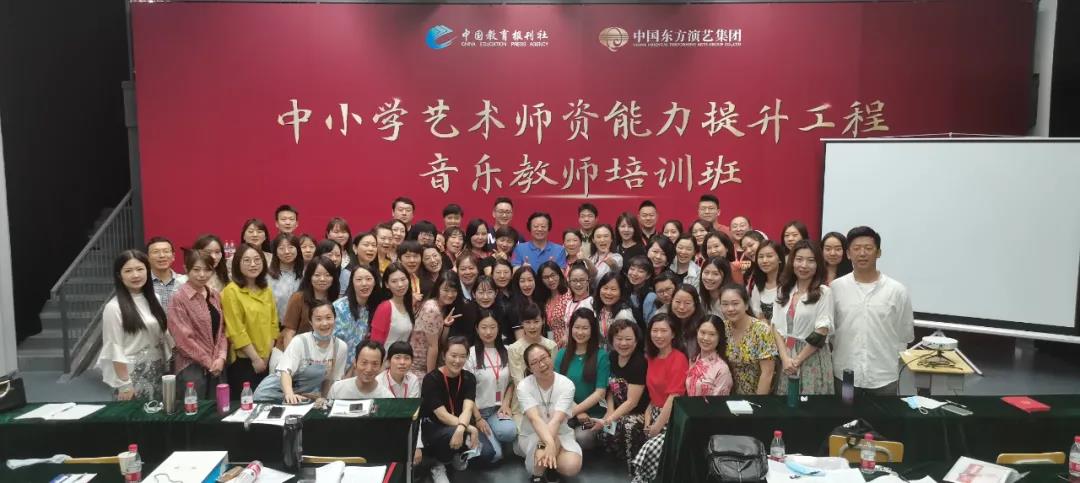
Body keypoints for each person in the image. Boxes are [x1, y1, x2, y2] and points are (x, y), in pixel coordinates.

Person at [831, 226, 914, 396]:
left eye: (868, 248)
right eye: (856, 248)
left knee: (882, 414)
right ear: (848, 254)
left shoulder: (897, 291)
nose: (862, 253)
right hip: (845, 375)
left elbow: (904, 335)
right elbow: (831, 332)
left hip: (883, 378)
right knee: (844, 413)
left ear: (879, 252)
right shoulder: (836, 288)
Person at [100, 250, 171, 401]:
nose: (136, 275)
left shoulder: (154, 298)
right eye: (128, 271)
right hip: (131, 374)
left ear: (148, 271)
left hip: (157, 368)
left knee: (157, 411)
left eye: (140, 269)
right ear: (119, 275)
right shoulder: (113, 308)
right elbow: (114, 348)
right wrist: (124, 384)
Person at [630, 313, 688, 483]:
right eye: (655, 331)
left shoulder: (679, 358)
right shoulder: (651, 357)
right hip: (654, 413)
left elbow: (673, 397)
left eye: (664, 331)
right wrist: (648, 417)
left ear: (673, 334)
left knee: (651, 447)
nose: (659, 335)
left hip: (672, 417)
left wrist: (657, 426)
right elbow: (654, 394)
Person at [772, 240, 835, 395]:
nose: (804, 265)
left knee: (811, 404)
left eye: (811, 260)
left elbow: (821, 332)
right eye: (799, 259)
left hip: (811, 357)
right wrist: (785, 359)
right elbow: (775, 327)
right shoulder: (783, 290)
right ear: (792, 262)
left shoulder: (824, 293)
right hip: (787, 356)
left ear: (818, 264)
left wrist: (797, 361)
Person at [254, 300, 347, 402]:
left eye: (328, 318)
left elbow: (329, 380)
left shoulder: (340, 347)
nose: (324, 323)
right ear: (311, 322)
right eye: (318, 319)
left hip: (297, 399)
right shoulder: (300, 341)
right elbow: (285, 372)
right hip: (269, 395)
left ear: (335, 319)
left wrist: (324, 400)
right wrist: (289, 395)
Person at [516, 343, 583, 483]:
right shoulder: (524, 386)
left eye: (543, 358)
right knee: (548, 446)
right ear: (529, 368)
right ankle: (538, 476)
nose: (541, 364)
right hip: (533, 434)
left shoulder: (566, 384)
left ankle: (549, 465)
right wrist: (550, 443)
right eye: (534, 362)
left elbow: (557, 420)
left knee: (571, 465)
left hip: (560, 432)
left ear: (550, 357)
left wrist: (549, 443)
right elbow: (535, 419)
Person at [167, 249, 227, 400]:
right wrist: (209, 362)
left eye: (207, 270)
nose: (202, 274)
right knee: (193, 409)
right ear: (186, 269)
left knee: (218, 408)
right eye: (196, 270)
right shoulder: (178, 298)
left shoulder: (215, 295)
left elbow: (222, 331)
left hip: (217, 365)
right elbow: (183, 340)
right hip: (191, 368)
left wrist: (221, 357)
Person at [223, 243, 279, 399]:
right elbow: (236, 330)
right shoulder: (231, 291)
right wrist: (255, 359)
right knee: (245, 405)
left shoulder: (266, 290)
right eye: (247, 260)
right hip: (244, 360)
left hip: (266, 359)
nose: (253, 264)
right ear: (237, 264)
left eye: (257, 260)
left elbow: (274, 325)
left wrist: (266, 356)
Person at [421, 336, 481, 483]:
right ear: (444, 355)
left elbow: (468, 409)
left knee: (487, 452)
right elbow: (441, 415)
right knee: (454, 433)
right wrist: (469, 429)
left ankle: (455, 455)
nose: (457, 360)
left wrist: (461, 428)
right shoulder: (431, 379)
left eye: (462, 356)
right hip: (435, 425)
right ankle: (438, 465)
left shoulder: (469, 378)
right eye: (453, 355)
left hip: (459, 422)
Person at [595, 320, 649, 472]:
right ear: (612, 340)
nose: (623, 343)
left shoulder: (639, 363)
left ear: (636, 341)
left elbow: (632, 402)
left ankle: (636, 468)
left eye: (628, 339)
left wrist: (610, 418)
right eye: (619, 339)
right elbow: (610, 389)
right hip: (619, 408)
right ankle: (617, 458)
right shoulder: (611, 357)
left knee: (626, 425)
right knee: (602, 428)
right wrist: (610, 410)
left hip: (639, 412)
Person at [464, 312, 517, 465]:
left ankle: (493, 436)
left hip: (497, 410)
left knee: (509, 432)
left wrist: (506, 403)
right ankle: (480, 439)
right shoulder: (470, 354)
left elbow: (512, 382)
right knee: (495, 455)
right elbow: (466, 391)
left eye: (493, 327)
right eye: (484, 327)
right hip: (477, 412)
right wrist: (478, 418)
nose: (488, 332)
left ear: (498, 328)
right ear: (476, 329)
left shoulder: (508, 350)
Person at [555, 308, 610, 451]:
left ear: (592, 330)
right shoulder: (561, 354)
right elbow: (557, 387)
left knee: (582, 437)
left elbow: (600, 393)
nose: (580, 332)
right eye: (577, 327)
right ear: (570, 328)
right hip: (567, 411)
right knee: (556, 432)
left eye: (585, 328)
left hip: (592, 416)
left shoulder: (601, 356)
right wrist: (577, 412)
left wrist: (576, 412)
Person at [718, 284, 777, 395]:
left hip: (755, 396)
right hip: (726, 395)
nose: (730, 309)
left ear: (746, 305)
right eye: (725, 304)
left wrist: (757, 402)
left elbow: (767, 373)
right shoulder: (722, 328)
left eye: (735, 304)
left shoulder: (761, 330)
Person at [412, 271, 464, 377]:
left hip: (427, 365)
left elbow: (441, 341)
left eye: (454, 290)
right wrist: (431, 377)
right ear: (438, 289)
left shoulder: (443, 307)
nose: (450, 294)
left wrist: (446, 325)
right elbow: (433, 347)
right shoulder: (432, 309)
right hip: (418, 367)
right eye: (445, 290)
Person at [280, 256, 339, 349]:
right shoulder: (298, 298)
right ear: (310, 277)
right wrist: (292, 356)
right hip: (292, 349)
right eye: (317, 275)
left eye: (327, 275)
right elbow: (289, 333)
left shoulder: (336, 301)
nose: (322, 279)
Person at [333, 264, 382, 373]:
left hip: (361, 370)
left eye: (368, 279)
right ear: (352, 282)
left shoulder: (377, 308)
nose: (364, 283)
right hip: (335, 367)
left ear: (375, 282)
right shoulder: (339, 307)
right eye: (359, 280)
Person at [507, 303, 558, 390]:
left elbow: (553, 374)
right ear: (522, 323)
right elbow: (518, 380)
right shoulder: (514, 349)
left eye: (536, 322)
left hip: (548, 392)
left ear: (543, 321)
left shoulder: (551, 346)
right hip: (523, 394)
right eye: (527, 322)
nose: (532, 327)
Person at [369, 262, 415, 349]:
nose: (400, 285)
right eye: (394, 281)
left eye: (403, 279)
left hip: (402, 356)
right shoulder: (385, 307)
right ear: (387, 284)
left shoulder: (408, 305)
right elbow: (375, 343)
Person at [328, 340, 393, 399]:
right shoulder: (337, 389)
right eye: (364, 363)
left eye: (375, 364)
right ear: (355, 362)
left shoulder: (386, 397)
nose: (369, 369)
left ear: (381, 366)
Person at [686, 317, 733, 397]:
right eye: (702, 332)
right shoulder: (693, 359)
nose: (706, 338)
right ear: (697, 332)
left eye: (712, 334)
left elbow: (718, 402)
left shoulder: (722, 369)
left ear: (719, 337)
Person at [267, 233, 302, 326]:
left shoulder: (305, 274)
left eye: (291, 247)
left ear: (298, 249)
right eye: (281, 248)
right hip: (275, 327)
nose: (287, 252)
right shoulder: (267, 277)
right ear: (275, 252)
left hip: (302, 328)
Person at [592, 272, 635, 345]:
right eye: (605, 288)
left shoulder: (624, 315)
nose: (608, 293)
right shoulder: (599, 308)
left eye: (613, 289)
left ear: (621, 292)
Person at [557, 262, 594, 348]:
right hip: (572, 348)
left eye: (582, 280)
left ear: (588, 281)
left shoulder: (592, 302)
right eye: (574, 280)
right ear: (569, 282)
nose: (578, 284)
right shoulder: (569, 303)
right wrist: (565, 336)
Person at [146, 237, 187, 311]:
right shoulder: (143, 283)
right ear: (147, 257)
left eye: (166, 251)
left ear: (173, 256)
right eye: (156, 252)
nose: (162, 255)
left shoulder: (185, 282)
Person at [536, 260, 572, 343]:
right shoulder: (545, 299)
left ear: (559, 274)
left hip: (568, 341)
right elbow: (550, 327)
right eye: (546, 277)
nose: (550, 280)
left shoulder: (569, 295)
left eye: (553, 275)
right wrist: (552, 344)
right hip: (552, 343)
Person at [668, 284, 706, 360]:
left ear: (695, 304)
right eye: (678, 302)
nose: (681, 307)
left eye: (687, 303)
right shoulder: (665, 322)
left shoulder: (704, 325)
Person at [749, 240, 784, 320]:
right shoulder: (757, 286)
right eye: (761, 257)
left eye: (769, 256)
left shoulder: (789, 284)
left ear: (780, 259)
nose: (764, 261)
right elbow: (758, 315)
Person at [625, 256, 657, 332]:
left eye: (640, 271)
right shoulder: (626, 290)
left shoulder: (650, 297)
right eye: (632, 269)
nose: (634, 273)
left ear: (648, 275)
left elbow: (650, 326)